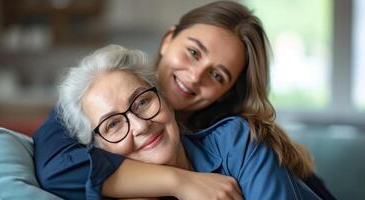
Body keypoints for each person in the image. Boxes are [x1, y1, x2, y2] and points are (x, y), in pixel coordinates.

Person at [34, 1, 335, 199]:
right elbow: (57, 168)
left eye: (217, 75)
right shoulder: (97, 94)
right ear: (168, 40)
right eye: (193, 52)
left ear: (227, 92)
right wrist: (180, 181)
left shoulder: (234, 138)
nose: (194, 76)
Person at [58, 44, 321, 199]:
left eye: (142, 102)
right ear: (100, 149)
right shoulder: (103, 189)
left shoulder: (236, 140)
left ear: (166, 99)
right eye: (113, 125)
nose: (140, 125)